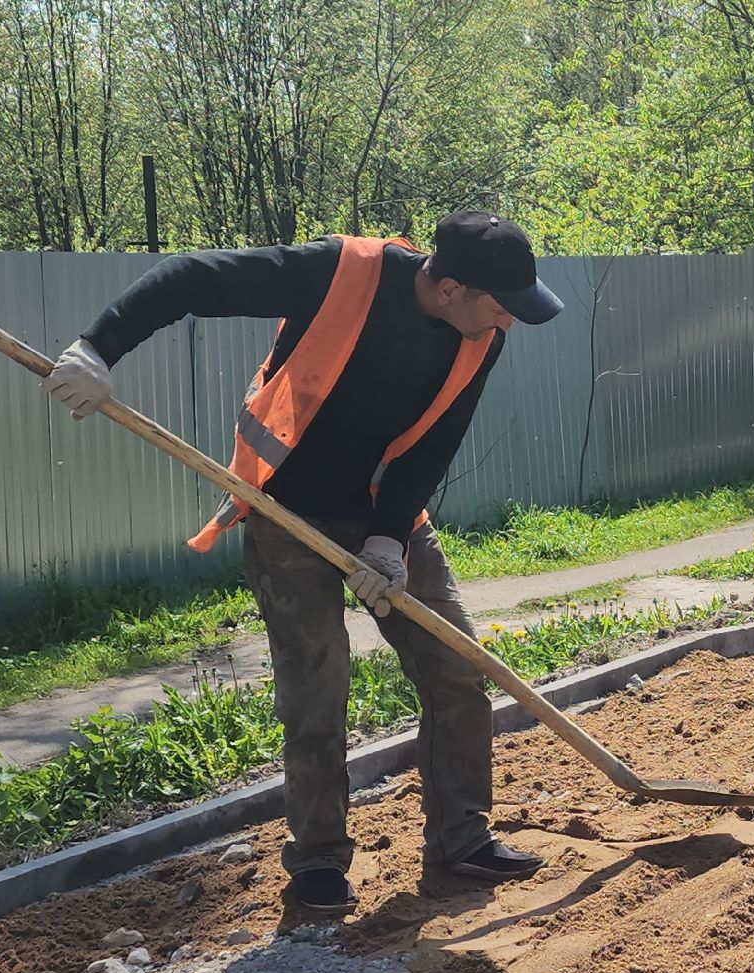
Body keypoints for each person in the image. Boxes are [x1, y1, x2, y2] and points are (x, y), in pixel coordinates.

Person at [40, 212, 563, 915]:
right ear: (450, 290)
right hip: (287, 513)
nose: (507, 322)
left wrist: (387, 541)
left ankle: (461, 838)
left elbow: (433, 444)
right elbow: (190, 277)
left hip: (385, 513)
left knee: (457, 667)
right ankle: (318, 863)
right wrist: (98, 348)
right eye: (499, 306)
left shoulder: (481, 338)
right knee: (316, 688)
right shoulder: (340, 272)